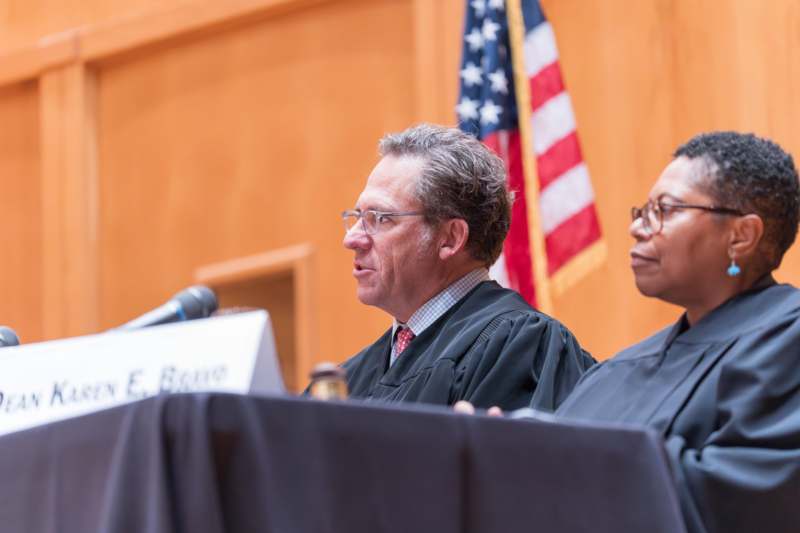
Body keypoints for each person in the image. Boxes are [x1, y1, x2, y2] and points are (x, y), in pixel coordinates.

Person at [555, 131, 800, 533]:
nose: (637, 228)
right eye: (643, 210)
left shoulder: (788, 342)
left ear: (741, 235)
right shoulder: (616, 369)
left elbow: (745, 500)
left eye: (665, 210)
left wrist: (557, 458)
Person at [340, 123, 593, 410]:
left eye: (381, 218)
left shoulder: (518, 346)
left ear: (450, 238)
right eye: (357, 217)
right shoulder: (347, 381)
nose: (352, 238)